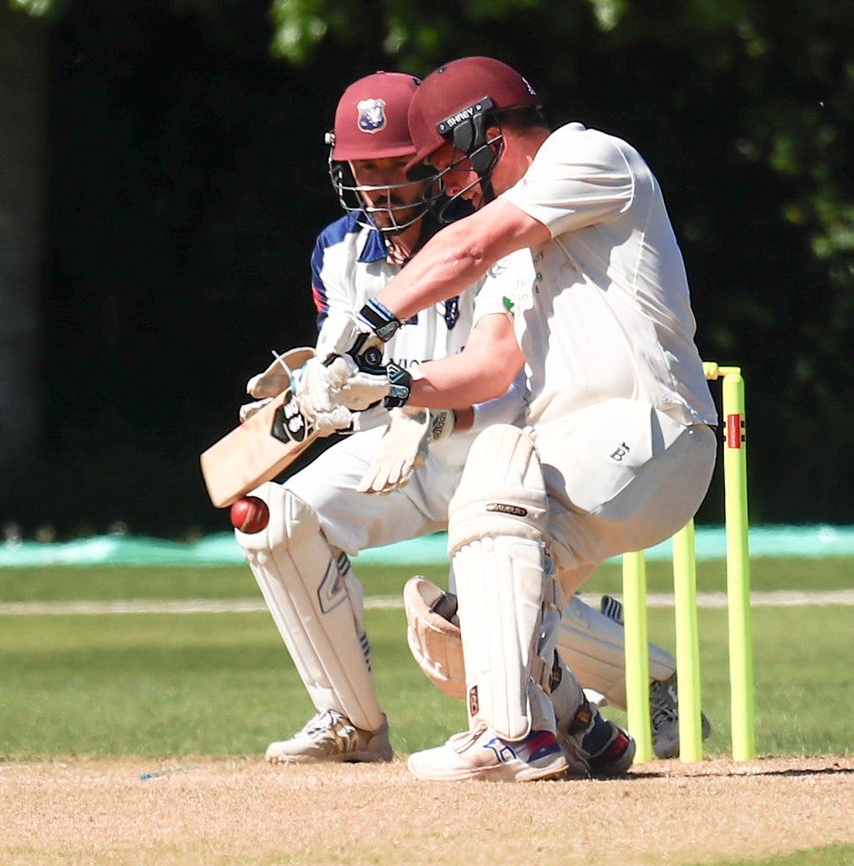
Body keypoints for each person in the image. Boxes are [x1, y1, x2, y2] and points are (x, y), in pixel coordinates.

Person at [235, 70, 684, 773]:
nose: (385, 187)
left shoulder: (508, 211)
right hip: (400, 445)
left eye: (403, 166)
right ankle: (356, 722)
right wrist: (314, 388)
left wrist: (409, 388)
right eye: (365, 170)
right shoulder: (339, 248)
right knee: (276, 521)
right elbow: (345, 367)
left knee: (476, 585)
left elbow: (494, 361)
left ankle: (594, 700)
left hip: (494, 435)